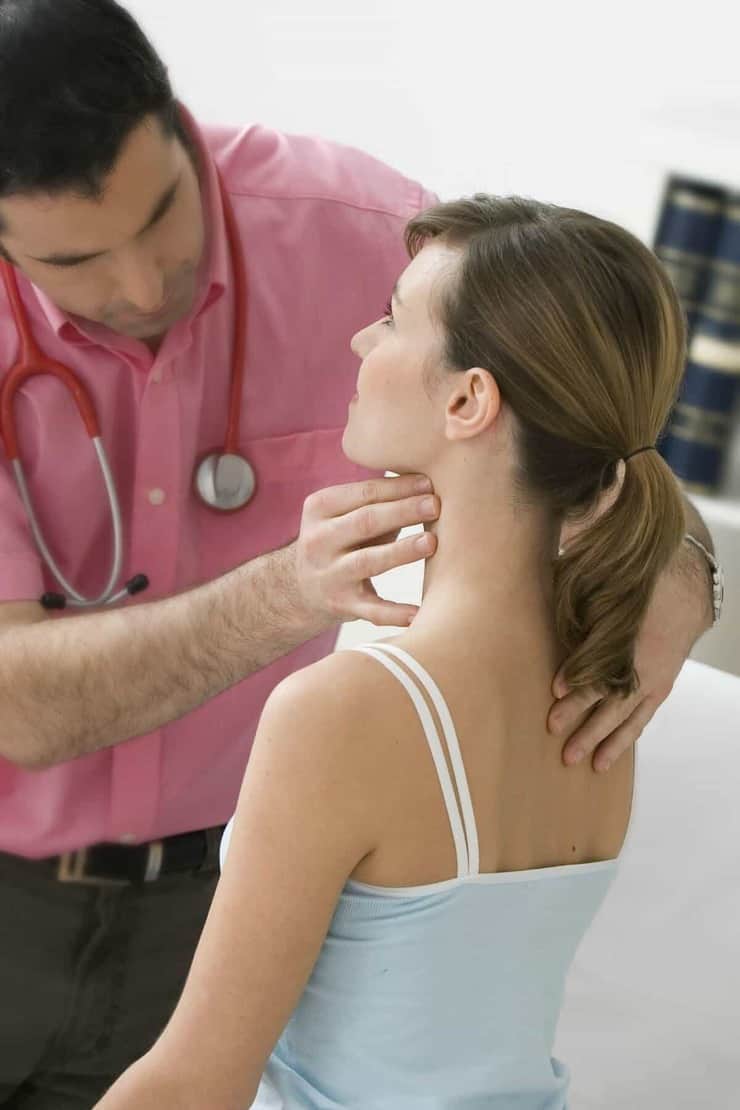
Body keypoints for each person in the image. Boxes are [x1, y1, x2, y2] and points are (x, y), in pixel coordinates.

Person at [0, 1, 716, 1106]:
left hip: (226, 900)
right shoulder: (559, 720)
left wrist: (680, 565)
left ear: (187, 132)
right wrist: (276, 596)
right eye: (77, 260)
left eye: (162, 218)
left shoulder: (371, 231)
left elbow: (568, 377)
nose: (142, 286)